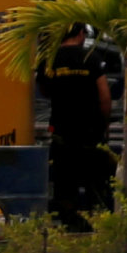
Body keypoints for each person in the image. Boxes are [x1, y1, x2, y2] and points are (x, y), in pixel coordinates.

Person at [38, 28, 117, 225]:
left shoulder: (49, 60)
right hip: (91, 135)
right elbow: (105, 96)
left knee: (65, 187)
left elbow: (45, 91)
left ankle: (71, 227)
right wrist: (104, 124)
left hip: (62, 134)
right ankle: (99, 226)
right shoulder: (91, 57)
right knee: (97, 186)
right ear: (81, 33)